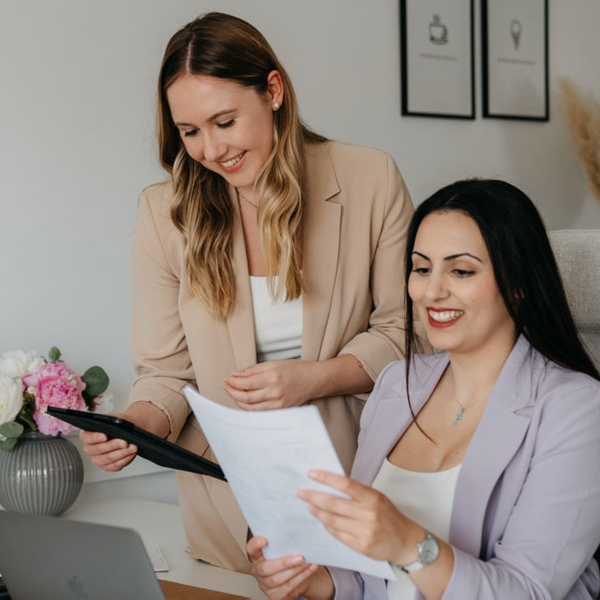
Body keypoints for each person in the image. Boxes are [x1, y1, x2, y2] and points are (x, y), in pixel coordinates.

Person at [79, 11, 414, 573]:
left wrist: (313, 379)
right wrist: (136, 425)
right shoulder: (165, 214)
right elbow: (166, 372)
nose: (211, 150)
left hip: (354, 484)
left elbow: (408, 335)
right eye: (190, 132)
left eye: (225, 121)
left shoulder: (370, 179)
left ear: (274, 91)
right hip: (225, 507)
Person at [247, 179, 600, 599]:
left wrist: (409, 544)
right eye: (421, 268)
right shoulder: (398, 383)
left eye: (461, 270)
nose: (431, 292)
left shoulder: (576, 408)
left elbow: (528, 592)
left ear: (519, 282)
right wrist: (311, 581)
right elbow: (368, 580)